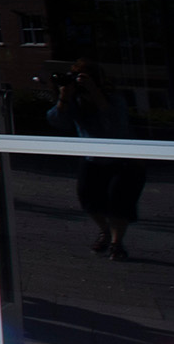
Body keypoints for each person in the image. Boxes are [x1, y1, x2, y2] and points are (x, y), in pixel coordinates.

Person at [47, 59, 147, 259]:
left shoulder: (113, 98)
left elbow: (116, 124)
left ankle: (116, 243)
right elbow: (58, 122)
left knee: (119, 201)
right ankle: (105, 231)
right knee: (88, 198)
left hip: (123, 159)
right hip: (92, 158)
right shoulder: (76, 100)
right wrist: (64, 98)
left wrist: (95, 92)